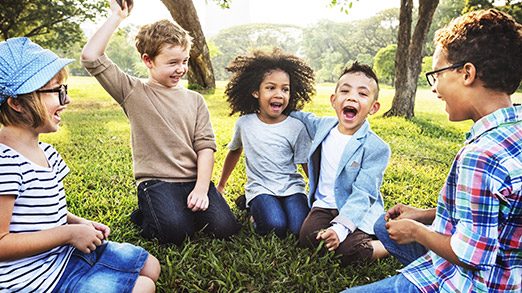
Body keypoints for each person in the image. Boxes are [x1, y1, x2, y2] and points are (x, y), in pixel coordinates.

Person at [343, 9, 522, 292]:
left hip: (471, 283)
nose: (435, 89)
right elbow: (495, 212)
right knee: (383, 227)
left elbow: (471, 256)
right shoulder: (514, 128)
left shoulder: (482, 155)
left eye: (436, 74)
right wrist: (423, 215)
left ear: (467, 73)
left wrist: (417, 231)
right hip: (511, 273)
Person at [0, 37, 160, 293]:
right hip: (36, 280)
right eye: (57, 91)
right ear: (17, 103)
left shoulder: (47, 153)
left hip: (61, 255)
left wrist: (77, 223)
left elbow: (39, 214)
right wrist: (68, 235)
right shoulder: (5, 164)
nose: (68, 100)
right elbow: (2, 244)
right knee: (143, 287)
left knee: (151, 267)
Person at [81, 0, 241, 245]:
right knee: (175, 234)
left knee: (225, 228)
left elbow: (205, 147)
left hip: (193, 179)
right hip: (156, 182)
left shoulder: (195, 100)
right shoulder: (132, 91)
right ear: (148, 61)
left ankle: (181, 210)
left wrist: (200, 189)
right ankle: (145, 213)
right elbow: (91, 57)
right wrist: (117, 17)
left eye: (185, 61)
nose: (181, 69)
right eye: (172, 63)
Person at [290, 62, 390, 266]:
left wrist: (340, 229)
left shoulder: (376, 147)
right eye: (345, 91)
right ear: (334, 101)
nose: (352, 97)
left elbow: (363, 194)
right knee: (308, 238)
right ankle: (339, 236)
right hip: (324, 206)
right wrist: (274, 107)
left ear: (373, 107)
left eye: (362, 94)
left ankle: (387, 244)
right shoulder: (323, 126)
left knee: (347, 252)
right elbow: (300, 116)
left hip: (357, 209)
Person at [216, 48, 314, 238]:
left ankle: (256, 206)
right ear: (255, 91)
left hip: (292, 188)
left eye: (285, 89)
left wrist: (319, 193)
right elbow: (234, 151)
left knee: (297, 229)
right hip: (260, 187)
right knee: (274, 226)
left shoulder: (296, 126)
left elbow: (305, 163)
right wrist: (221, 185)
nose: (279, 94)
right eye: (271, 88)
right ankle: (253, 208)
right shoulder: (245, 123)